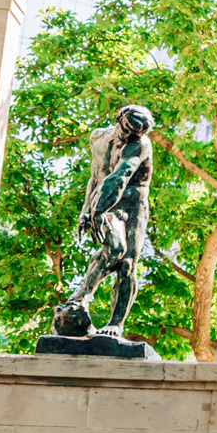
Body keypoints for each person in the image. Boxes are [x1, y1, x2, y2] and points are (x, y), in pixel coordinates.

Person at [64, 103, 157, 337]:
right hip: (104, 199)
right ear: (119, 121)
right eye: (128, 131)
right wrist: (87, 210)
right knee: (114, 248)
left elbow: (120, 177)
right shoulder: (97, 138)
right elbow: (96, 177)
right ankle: (82, 295)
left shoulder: (140, 145)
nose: (130, 137)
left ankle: (116, 323)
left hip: (133, 204)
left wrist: (97, 210)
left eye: (136, 134)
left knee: (127, 263)